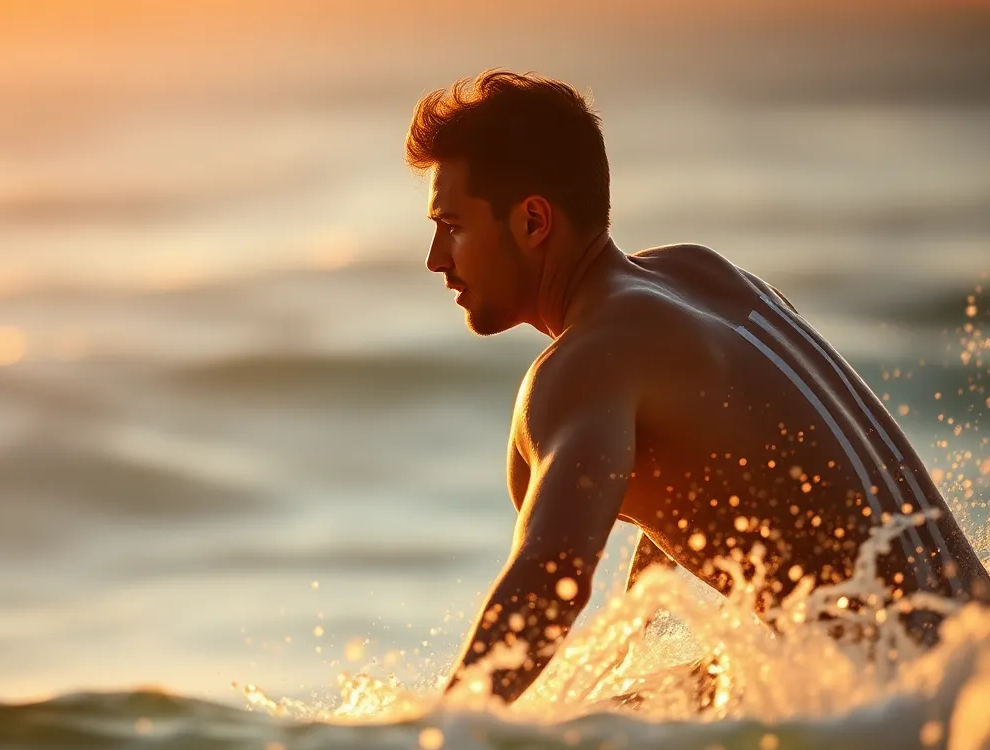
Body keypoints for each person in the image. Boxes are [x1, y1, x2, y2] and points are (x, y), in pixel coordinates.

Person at [406, 69, 990, 704]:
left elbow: (549, 578)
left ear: (534, 221)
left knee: (606, 735)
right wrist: (633, 650)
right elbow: (706, 469)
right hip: (969, 663)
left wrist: (439, 737)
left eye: (453, 225)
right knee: (638, 708)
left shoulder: (585, 363)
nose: (436, 257)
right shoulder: (704, 274)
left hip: (926, 711)